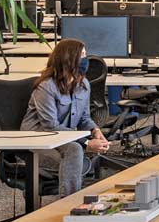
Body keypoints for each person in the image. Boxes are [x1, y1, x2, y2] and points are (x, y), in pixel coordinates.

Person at [27, 37, 112, 195]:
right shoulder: (46, 87)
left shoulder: (83, 84)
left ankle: (70, 201)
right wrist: (87, 143)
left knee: (74, 151)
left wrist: (95, 130)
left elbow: (84, 118)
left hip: (64, 139)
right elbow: (50, 126)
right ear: (68, 60)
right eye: (82, 56)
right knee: (75, 152)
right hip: (39, 140)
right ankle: (68, 202)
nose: (86, 60)